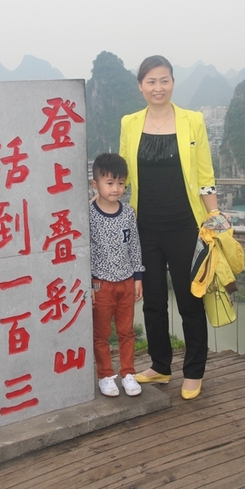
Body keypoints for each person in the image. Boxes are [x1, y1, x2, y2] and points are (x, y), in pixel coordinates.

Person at [120, 55, 227, 400]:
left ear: (173, 83)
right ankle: (160, 365)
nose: (158, 87)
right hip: (145, 227)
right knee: (153, 302)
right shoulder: (129, 123)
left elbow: (205, 176)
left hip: (184, 226)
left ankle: (194, 371)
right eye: (151, 81)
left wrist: (214, 218)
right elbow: (122, 178)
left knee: (189, 300)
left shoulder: (192, 121)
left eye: (164, 80)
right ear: (140, 86)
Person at [89, 153, 145, 397]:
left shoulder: (128, 213)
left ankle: (128, 373)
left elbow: (134, 245)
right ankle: (105, 375)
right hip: (100, 283)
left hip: (126, 281)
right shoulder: (88, 214)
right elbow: (84, 250)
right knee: (101, 334)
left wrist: (138, 277)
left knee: (126, 331)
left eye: (121, 183)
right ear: (95, 184)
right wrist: (88, 284)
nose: (116, 189)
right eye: (109, 183)